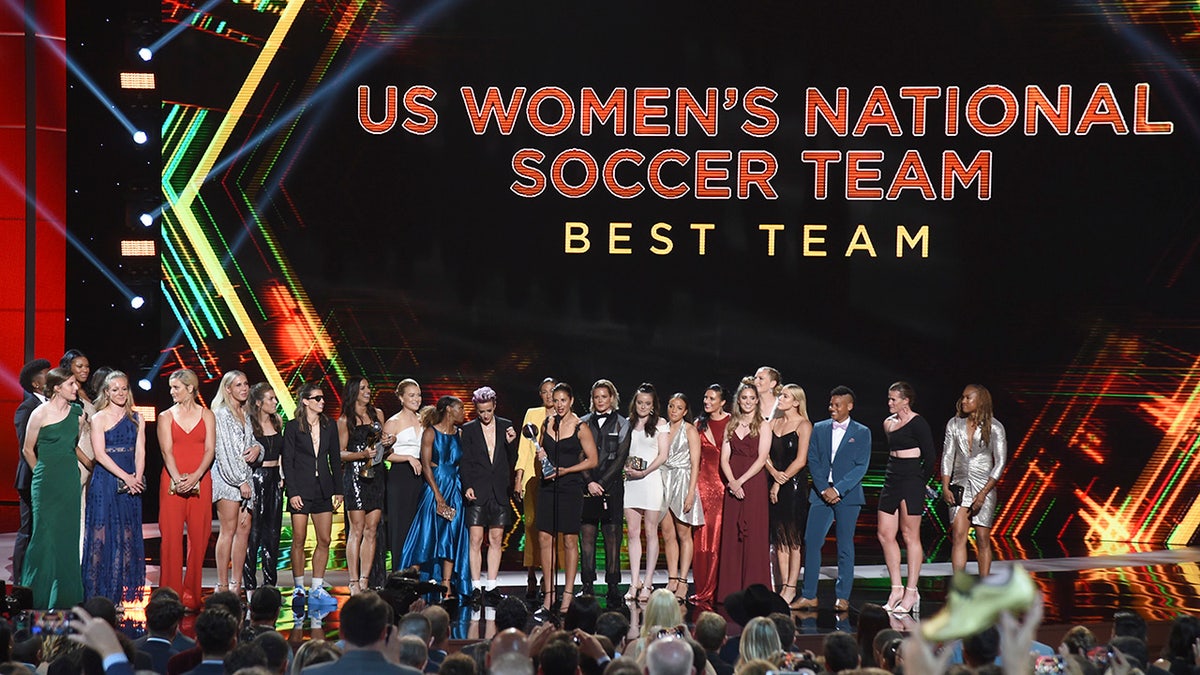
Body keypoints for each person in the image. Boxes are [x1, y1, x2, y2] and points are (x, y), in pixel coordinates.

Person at [795, 386, 872, 612]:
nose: (832, 408)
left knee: (845, 546)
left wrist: (837, 490)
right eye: (831, 404)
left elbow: (861, 467)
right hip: (820, 495)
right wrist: (823, 489)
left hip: (847, 496)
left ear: (849, 406)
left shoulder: (862, 432)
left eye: (838, 405)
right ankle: (809, 594)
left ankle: (843, 597)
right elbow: (813, 460)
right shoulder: (819, 428)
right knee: (812, 541)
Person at [19, 366, 86, 608]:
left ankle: (66, 598)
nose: (76, 388)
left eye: (75, 384)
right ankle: (37, 596)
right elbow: (28, 449)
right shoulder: (39, 413)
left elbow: (72, 446)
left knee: (67, 537)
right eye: (71, 384)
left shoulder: (78, 414)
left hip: (68, 480)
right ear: (56, 388)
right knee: (44, 537)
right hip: (45, 482)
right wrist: (40, 473)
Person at [533, 383, 598, 618]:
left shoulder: (581, 427)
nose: (559, 404)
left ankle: (568, 594)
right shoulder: (547, 424)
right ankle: (549, 594)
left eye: (563, 400)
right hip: (548, 486)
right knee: (544, 537)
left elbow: (592, 460)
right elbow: (540, 452)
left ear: (570, 401)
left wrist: (567, 470)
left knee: (570, 539)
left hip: (570, 488)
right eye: (555, 400)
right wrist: (541, 458)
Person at [82, 370, 147, 605]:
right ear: (107, 392)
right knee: (102, 535)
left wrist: (137, 476)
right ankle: (98, 595)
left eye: (123, 388)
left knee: (126, 537)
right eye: (115, 389)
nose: (120, 393)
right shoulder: (98, 418)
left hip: (131, 481)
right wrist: (126, 477)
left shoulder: (137, 418)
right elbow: (99, 454)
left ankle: (119, 596)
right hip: (106, 481)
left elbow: (140, 450)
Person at [400, 395, 471, 601]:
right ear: (448, 409)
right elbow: (426, 465)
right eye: (459, 408)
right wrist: (438, 496)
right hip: (435, 487)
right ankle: (413, 580)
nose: (462, 412)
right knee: (426, 532)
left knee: (452, 531)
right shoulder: (430, 433)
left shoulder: (461, 433)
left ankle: (446, 583)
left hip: (455, 487)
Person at [157, 368, 216, 611]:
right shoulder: (165, 416)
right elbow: (166, 451)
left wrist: (196, 476)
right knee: (170, 538)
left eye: (176, 387)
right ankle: (170, 595)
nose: (171, 392)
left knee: (199, 537)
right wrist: (178, 478)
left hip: (200, 479)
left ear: (190, 388)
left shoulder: (208, 415)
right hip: (172, 481)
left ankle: (192, 594)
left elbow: (210, 449)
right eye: (171, 387)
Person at [877, 382, 936, 614]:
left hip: (912, 478)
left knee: (910, 534)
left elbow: (930, 456)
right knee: (884, 533)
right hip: (892, 476)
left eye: (893, 399)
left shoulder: (918, 423)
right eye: (889, 399)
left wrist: (921, 481)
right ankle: (896, 588)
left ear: (905, 400)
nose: (889, 403)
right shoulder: (888, 423)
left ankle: (912, 591)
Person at [282, 382, 343, 607]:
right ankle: (299, 587)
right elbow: (287, 461)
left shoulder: (330, 425)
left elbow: (335, 460)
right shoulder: (292, 427)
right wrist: (293, 491)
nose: (322, 402)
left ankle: (317, 587)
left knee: (324, 539)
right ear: (305, 401)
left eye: (322, 398)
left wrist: (339, 490)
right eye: (317, 398)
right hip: (301, 489)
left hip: (323, 489)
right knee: (298, 539)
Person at [460, 386, 518, 606]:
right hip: (477, 490)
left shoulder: (506, 427)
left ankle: (492, 586)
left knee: (495, 540)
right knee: (475, 540)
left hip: (499, 491)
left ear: (494, 405)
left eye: (488, 410)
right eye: (481, 411)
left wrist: (511, 444)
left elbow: (512, 459)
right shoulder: (469, 429)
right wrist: (467, 485)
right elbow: (464, 461)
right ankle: (475, 587)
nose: (485, 415)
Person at [941, 384, 1007, 577]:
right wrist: (945, 486)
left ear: (981, 401)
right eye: (963, 397)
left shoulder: (995, 427)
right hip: (960, 485)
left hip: (984, 485)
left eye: (968, 398)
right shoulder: (954, 424)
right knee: (959, 535)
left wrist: (984, 493)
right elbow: (947, 456)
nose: (964, 401)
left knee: (982, 537)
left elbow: (1000, 462)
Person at [716, 379, 772, 602]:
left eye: (751, 398)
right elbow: (724, 458)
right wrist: (732, 482)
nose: (748, 402)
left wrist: (741, 481)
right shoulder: (731, 424)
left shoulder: (764, 425)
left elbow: (761, 460)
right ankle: (730, 591)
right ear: (738, 400)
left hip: (753, 484)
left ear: (757, 400)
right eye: (744, 398)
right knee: (732, 536)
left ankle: (754, 591)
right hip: (733, 486)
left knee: (754, 535)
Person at [577, 379, 630, 606]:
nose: (600, 401)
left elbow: (620, 457)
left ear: (612, 398)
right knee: (587, 537)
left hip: (612, 488)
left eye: (604, 397)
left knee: (612, 537)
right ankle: (587, 584)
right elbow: (579, 455)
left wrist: (603, 483)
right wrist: (590, 482)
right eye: (596, 397)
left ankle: (613, 585)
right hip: (587, 486)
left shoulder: (621, 423)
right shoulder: (582, 422)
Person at [339, 377, 392, 595]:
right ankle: (352, 580)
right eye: (363, 388)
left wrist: (389, 442)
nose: (368, 391)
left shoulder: (377, 414)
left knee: (372, 530)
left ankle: (365, 579)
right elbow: (340, 453)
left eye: (368, 387)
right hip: (355, 475)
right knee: (357, 529)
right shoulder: (345, 420)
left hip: (375, 472)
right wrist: (361, 454)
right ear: (354, 392)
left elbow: (381, 442)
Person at [211, 370, 261, 596]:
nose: (243, 388)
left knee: (244, 532)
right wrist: (239, 481)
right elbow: (224, 452)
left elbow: (251, 444)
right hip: (228, 480)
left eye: (246, 383)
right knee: (228, 531)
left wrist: (258, 449)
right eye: (238, 384)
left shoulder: (246, 413)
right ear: (228, 389)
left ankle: (236, 583)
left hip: (246, 479)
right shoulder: (221, 414)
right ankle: (222, 584)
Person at [763, 384, 811, 606]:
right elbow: (764, 455)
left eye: (784, 396)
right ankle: (782, 586)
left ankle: (792, 586)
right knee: (779, 538)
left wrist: (780, 481)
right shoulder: (773, 423)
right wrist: (773, 474)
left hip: (793, 486)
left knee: (793, 538)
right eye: (780, 395)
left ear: (796, 401)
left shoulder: (804, 425)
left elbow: (801, 460)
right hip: (775, 481)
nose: (780, 399)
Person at [622, 383, 669, 604]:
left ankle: (648, 583)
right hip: (631, 482)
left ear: (653, 405)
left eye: (647, 403)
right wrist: (625, 468)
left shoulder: (661, 424)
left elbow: (663, 455)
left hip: (650, 482)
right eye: (640, 402)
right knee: (632, 533)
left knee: (650, 532)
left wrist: (645, 472)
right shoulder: (627, 424)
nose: (643, 406)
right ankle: (634, 582)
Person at [658, 393, 704, 604]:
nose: (673, 410)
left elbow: (696, 463)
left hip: (683, 481)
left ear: (685, 411)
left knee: (684, 533)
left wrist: (690, 492)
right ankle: (673, 578)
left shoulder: (689, 430)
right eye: (671, 406)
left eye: (678, 407)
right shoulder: (662, 428)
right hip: (663, 480)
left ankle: (684, 580)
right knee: (668, 534)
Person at [515, 378, 556, 601]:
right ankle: (531, 575)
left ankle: (548, 578)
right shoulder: (532, 413)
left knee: (551, 528)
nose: (549, 396)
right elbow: (524, 448)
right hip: (532, 477)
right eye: (545, 392)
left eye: (553, 391)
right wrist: (518, 477)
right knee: (531, 524)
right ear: (540, 394)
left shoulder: (563, 417)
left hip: (554, 479)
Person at [11, 357, 51, 583]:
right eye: (47, 373)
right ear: (36, 384)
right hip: (31, 479)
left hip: (50, 477)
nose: (52, 375)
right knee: (28, 531)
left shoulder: (53, 405)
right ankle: (19, 583)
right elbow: (26, 447)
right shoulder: (26, 409)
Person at [690, 385, 729, 607]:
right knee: (702, 538)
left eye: (712, 398)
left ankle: (722, 586)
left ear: (722, 402)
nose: (707, 401)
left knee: (721, 539)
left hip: (725, 486)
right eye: (705, 397)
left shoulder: (732, 422)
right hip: (702, 487)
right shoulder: (698, 424)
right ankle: (704, 587)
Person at [244, 382, 284, 592]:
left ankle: (270, 585)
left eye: (275, 398)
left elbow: (283, 454)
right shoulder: (249, 424)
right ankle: (249, 586)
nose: (275, 402)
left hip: (275, 479)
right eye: (270, 398)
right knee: (254, 533)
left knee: (273, 533)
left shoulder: (278, 422)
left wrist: (283, 476)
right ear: (258, 403)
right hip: (257, 477)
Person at [383, 378, 424, 573]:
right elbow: (384, 454)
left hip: (422, 475)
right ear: (401, 398)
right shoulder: (393, 422)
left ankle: (417, 570)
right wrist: (408, 457)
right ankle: (399, 571)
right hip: (401, 477)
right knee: (401, 524)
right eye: (412, 395)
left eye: (418, 395)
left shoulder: (424, 419)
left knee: (420, 524)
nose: (417, 399)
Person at [61, 349, 96, 558]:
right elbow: (68, 438)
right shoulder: (68, 396)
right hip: (78, 460)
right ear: (69, 368)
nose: (85, 370)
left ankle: (83, 558)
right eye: (79, 366)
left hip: (91, 462)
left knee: (85, 510)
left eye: (87, 366)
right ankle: (75, 559)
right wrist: (87, 461)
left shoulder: (85, 393)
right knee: (77, 512)